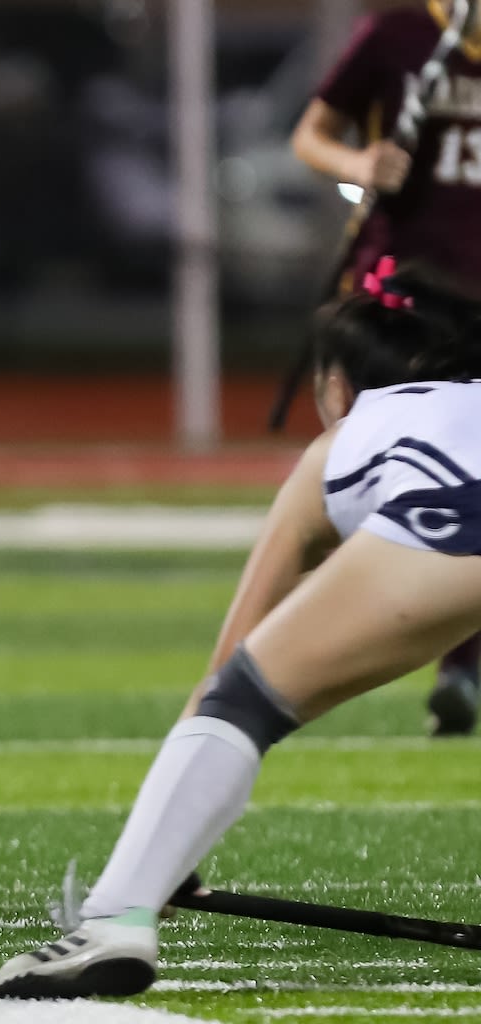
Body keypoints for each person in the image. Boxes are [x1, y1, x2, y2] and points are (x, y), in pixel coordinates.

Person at [0, 259, 481, 1000]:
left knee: (243, 699)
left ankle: (110, 923)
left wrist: (164, 855)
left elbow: (222, 682)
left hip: (454, 518)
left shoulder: (340, 445)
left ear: (339, 387)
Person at [290, 0, 481, 735]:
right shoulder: (397, 33)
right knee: (353, 481)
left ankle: (461, 664)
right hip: (398, 301)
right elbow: (311, 136)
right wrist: (360, 164)